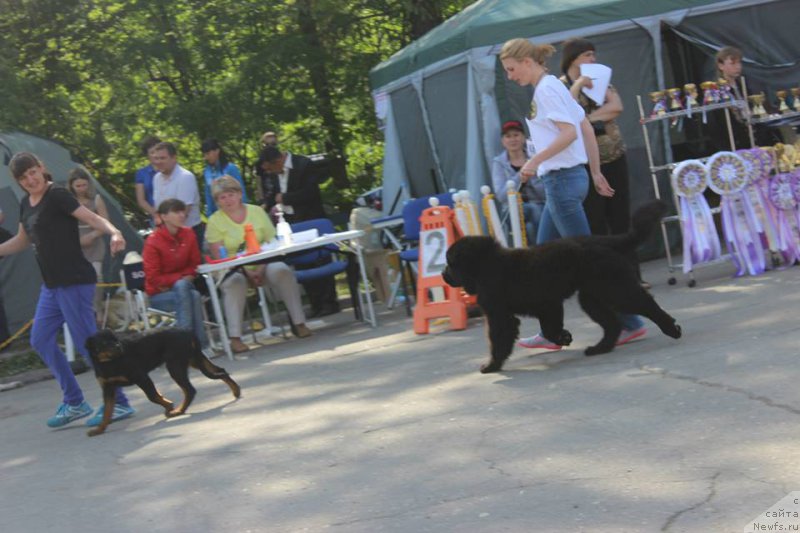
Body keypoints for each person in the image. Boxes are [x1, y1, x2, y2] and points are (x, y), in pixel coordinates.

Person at [498, 38, 646, 350]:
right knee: (541, 264)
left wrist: (533, 162)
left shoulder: (548, 90)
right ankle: (552, 332)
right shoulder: (554, 87)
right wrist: (593, 172)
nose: (511, 76)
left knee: (590, 261)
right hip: (567, 181)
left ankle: (630, 323)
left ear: (527, 61)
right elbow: (585, 129)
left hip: (562, 184)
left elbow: (569, 134)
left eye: (512, 69)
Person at [0, 152, 134, 428]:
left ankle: (119, 402)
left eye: (33, 172)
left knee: (88, 343)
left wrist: (115, 232)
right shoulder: (26, 203)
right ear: (18, 181)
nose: (30, 179)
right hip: (52, 286)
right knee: (40, 339)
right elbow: (22, 240)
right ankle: (74, 401)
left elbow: (92, 218)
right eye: (23, 177)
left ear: (41, 168)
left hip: (74, 281)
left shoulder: (58, 196)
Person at [559, 38, 647, 287]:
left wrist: (585, 118)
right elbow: (566, 113)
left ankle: (633, 277)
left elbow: (616, 107)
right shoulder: (562, 86)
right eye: (587, 55)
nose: (593, 60)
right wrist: (577, 87)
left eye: (593, 55)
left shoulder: (600, 78)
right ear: (573, 58)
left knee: (621, 219)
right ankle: (610, 280)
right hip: (586, 165)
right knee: (596, 223)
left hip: (614, 157)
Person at [205, 176, 312, 353]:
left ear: (239, 194)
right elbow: (220, 257)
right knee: (234, 284)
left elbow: (273, 244)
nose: (227, 200)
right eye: (222, 197)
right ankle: (235, 337)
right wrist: (248, 272)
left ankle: (299, 322)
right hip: (233, 269)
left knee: (282, 271)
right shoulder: (214, 221)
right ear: (217, 201)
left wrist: (260, 269)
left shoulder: (257, 212)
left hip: (265, 263)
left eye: (230, 194)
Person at [257, 145, 338, 317]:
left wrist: (285, 198)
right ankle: (315, 303)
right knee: (302, 261)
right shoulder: (274, 174)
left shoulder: (303, 164)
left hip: (310, 219)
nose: (272, 172)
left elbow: (311, 193)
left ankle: (329, 302)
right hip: (291, 221)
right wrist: (266, 205)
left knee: (320, 258)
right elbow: (274, 195)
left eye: (272, 168)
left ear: (278, 161)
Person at [142, 199, 214, 358]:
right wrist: (181, 279)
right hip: (159, 295)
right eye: (177, 212)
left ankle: (185, 348)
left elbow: (195, 264)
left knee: (184, 289)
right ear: (164, 217)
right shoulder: (153, 241)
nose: (182, 215)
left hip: (180, 288)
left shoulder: (189, 234)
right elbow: (153, 278)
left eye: (183, 211)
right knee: (192, 295)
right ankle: (200, 346)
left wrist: (179, 281)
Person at [491, 120, 546, 242]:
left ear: (524, 137)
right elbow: (501, 196)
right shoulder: (498, 163)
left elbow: (544, 192)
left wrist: (532, 176)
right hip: (512, 208)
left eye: (516, 135)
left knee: (530, 227)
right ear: (503, 141)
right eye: (508, 136)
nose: (512, 139)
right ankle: (543, 249)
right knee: (533, 210)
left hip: (539, 203)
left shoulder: (535, 158)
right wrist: (520, 175)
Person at [68, 167, 109, 323]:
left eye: (84, 185)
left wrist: (92, 235)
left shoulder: (96, 199)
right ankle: (83, 314)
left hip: (94, 242)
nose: (81, 189)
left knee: (96, 277)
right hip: (74, 243)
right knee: (78, 280)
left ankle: (97, 310)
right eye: (78, 186)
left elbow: (105, 223)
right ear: (71, 186)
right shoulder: (68, 201)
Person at [151, 141, 204, 251]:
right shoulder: (156, 178)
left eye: (163, 158)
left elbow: (183, 212)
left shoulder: (185, 177)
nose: (158, 162)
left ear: (174, 158)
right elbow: (159, 209)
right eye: (156, 158)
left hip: (189, 234)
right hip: (167, 234)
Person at [200, 138, 247, 217]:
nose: (206, 157)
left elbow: (241, 191)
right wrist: (209, 214)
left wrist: (243, 210)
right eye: (204, 155)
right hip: (218, 214)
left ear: (217, 151)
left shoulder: (231, 168)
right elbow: (208, 194)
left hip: (234, 211)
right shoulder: (207, 171)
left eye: (208, 153)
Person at [134, 135, 161, 224]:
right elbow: (141, 200)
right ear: (147, 156)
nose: (156, 155)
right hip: (156, 218)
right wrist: (156, 214)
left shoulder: (170, 169)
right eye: (152, 152)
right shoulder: (141, 173)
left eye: (158, 150)